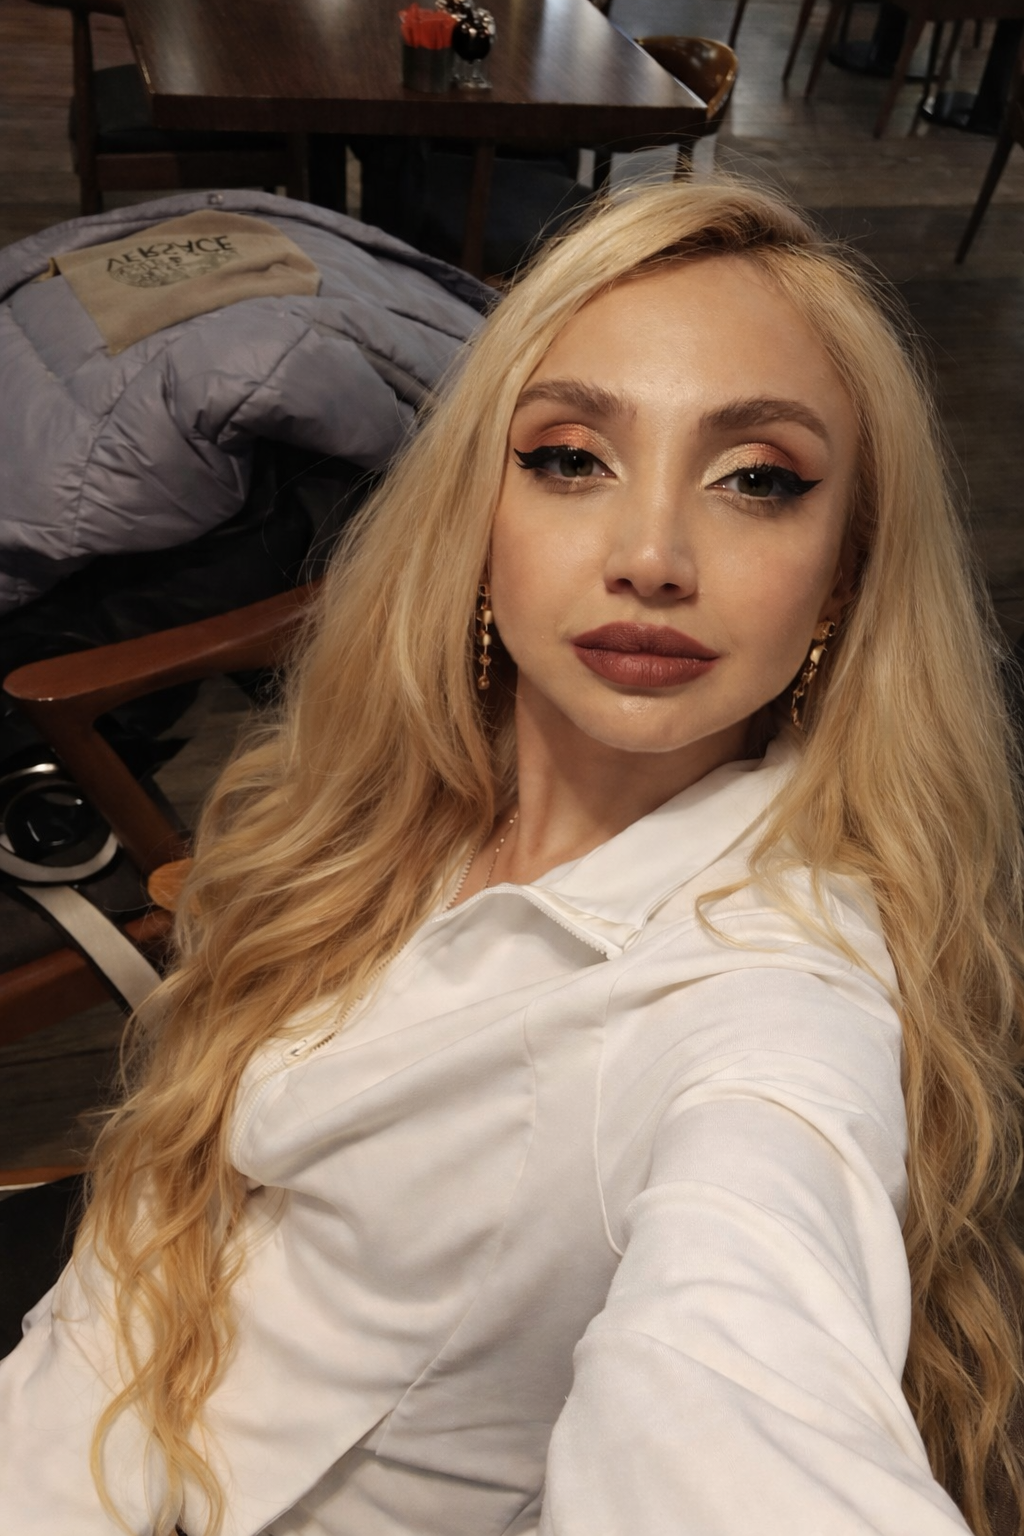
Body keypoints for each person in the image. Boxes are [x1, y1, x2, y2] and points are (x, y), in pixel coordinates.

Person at [2, 178, 1023, 1536]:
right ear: (480, 513)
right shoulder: (405, 786)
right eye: (571, 459)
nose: (652, 554)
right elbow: (164, 1222)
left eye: (759, 480)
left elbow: (746, 1368)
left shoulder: (773, 1002)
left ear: (843, 574)